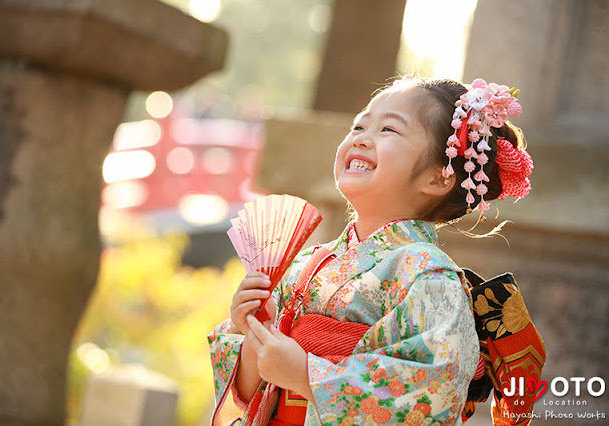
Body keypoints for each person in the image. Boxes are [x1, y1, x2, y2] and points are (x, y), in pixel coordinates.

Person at [209, 76, 535, 425]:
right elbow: (253, 387)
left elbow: (431, 391)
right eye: (359, 125)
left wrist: (306, 375)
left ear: (439, 178)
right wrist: (254, 337)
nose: (361, 138)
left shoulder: (428, 275)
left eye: (388, 130)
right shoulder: (306, 263)